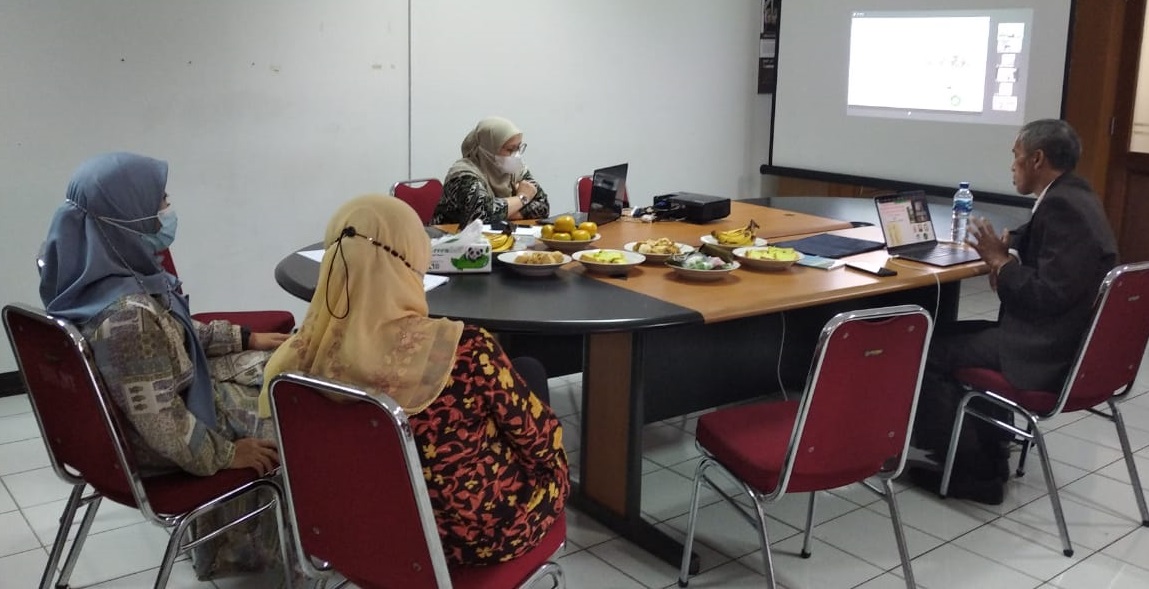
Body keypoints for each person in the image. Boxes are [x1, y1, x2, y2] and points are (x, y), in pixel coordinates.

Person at [260, 194, 569, 566]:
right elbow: (541, 440)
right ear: (411, 260)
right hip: (472, 539)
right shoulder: (465, 353)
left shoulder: (296, 364)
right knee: (531, 384)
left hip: (358, 533)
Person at [38, 152, 292, 580]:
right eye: (160, 202)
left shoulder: (93, 278)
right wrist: (229, 454)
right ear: (127, 218)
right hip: (166, 439)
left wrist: (244, 338)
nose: (167, 211)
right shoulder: (127, 317)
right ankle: (281, 551)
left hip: (161, 409)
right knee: (298, 411)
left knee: (278, 365)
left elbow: (171, 332)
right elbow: (163, 425)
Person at [909, 119, 1119, 504]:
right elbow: (1040, 239)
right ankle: (990, 455)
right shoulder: (1076, 194)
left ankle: (970, 470)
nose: (1012, 165)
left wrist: (1003, 265)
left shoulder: (1062, 206)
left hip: (1043, 352)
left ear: (1037, 159)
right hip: (1066, 343)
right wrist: (1011, 247)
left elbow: (1046, 294)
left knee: (927, 350)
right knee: (945, 334)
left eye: (1016, 155)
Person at [431, 116, 551, 225]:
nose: (516, 155)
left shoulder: (516, 171)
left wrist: (502, 214)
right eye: (510, 149)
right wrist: (522, 198)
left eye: (518, 147)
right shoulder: (463, 174)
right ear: (488, 149)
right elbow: (480, 215)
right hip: (451, 237)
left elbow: (543, 206)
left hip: (497, 237)